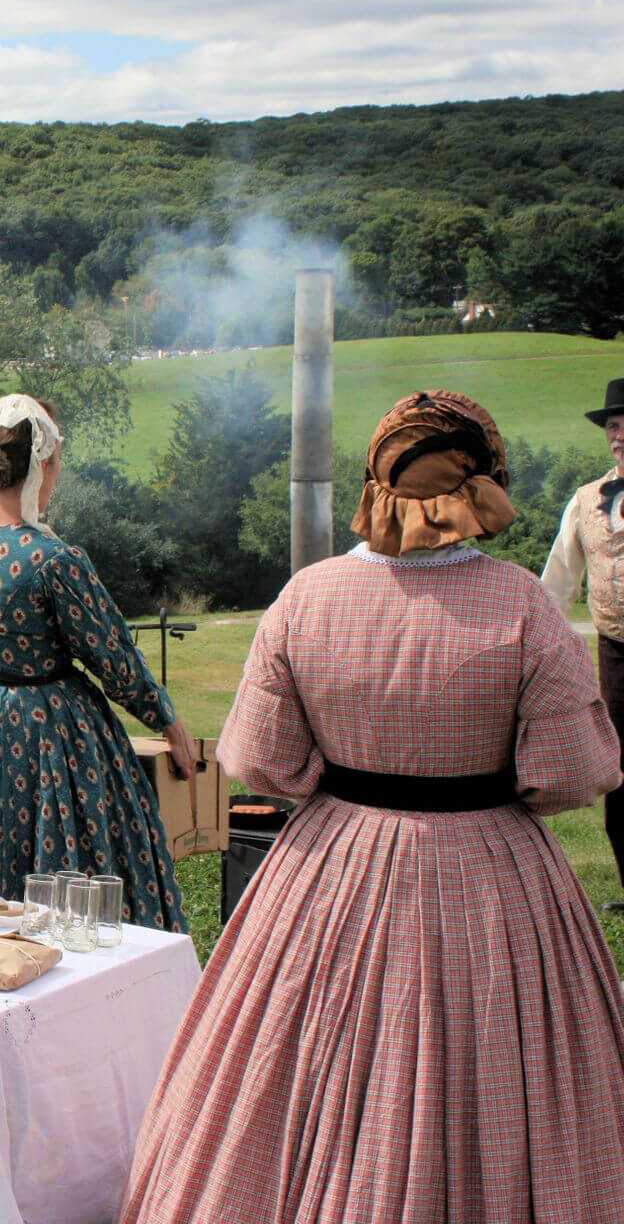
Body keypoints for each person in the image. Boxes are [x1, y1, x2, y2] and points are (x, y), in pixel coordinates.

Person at [121, 391, 624, 1222]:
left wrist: (345, 765)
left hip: (330, 868)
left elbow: (258, 762)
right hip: (491, 876)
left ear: (379, 487)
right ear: (480, 484)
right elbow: (569, 775)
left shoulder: (307, 597)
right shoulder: (522, 605)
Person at [0, 393, 194, 932]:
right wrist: (167, 720)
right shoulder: (53, 559)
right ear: (43, 465)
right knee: (64, 875)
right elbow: (115, 659)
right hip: (47, 734)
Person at [539, 374, 624, 911]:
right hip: (617, 656)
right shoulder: (586, 500)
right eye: (613, 426)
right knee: (620, 776)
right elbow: (557, 584)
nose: (619, 435)